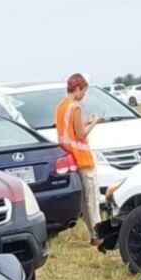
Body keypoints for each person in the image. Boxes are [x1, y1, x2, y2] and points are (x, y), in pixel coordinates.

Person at [54, 73, 103, 241]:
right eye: (84, 91)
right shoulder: (75, 107)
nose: (84, 95)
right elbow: (81, 136)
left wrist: (85, 122)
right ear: (77, 89)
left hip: (70, 157)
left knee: (84, 202)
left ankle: (93, 235)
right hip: (83, 158)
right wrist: (94, 122)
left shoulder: (61, 106)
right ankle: (98, 235)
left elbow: (71, 132)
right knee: (93, 201)